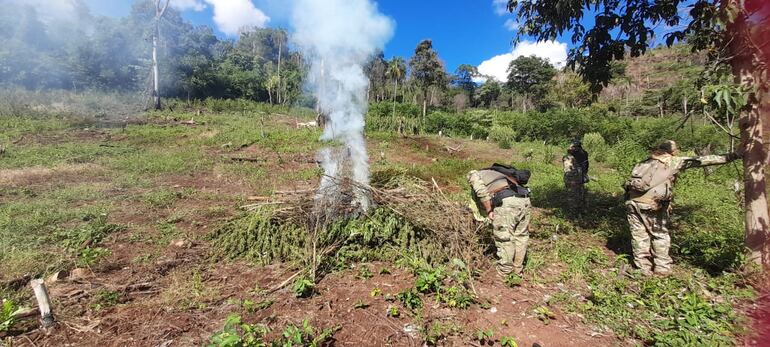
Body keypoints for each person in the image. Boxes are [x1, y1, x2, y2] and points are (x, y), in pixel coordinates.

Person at [624, 140, 740, 275]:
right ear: (673, 151)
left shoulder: (645, 162)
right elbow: (704, 160)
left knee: (639, 235)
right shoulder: (673, 161)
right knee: (659, 234)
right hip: (652, 205)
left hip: (632, 202)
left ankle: (643, 268)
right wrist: (734, 155)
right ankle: (661, 268)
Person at [468, 164, 532, 277]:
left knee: (504, 237)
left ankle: (505, 271)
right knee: (521, 236)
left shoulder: (474, 174)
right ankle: (517, 270)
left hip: (507, 203)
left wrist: (489, 210)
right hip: (525, 200)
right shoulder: (501, 174)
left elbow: (481, 192)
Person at [563, 140, 589, 211]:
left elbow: (585, 165)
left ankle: (575, 209)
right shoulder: (582, 153)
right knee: (577, 193)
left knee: (574, 194)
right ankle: (578, 209)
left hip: (574, 177)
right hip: (577, 177)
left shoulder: (571, 156)